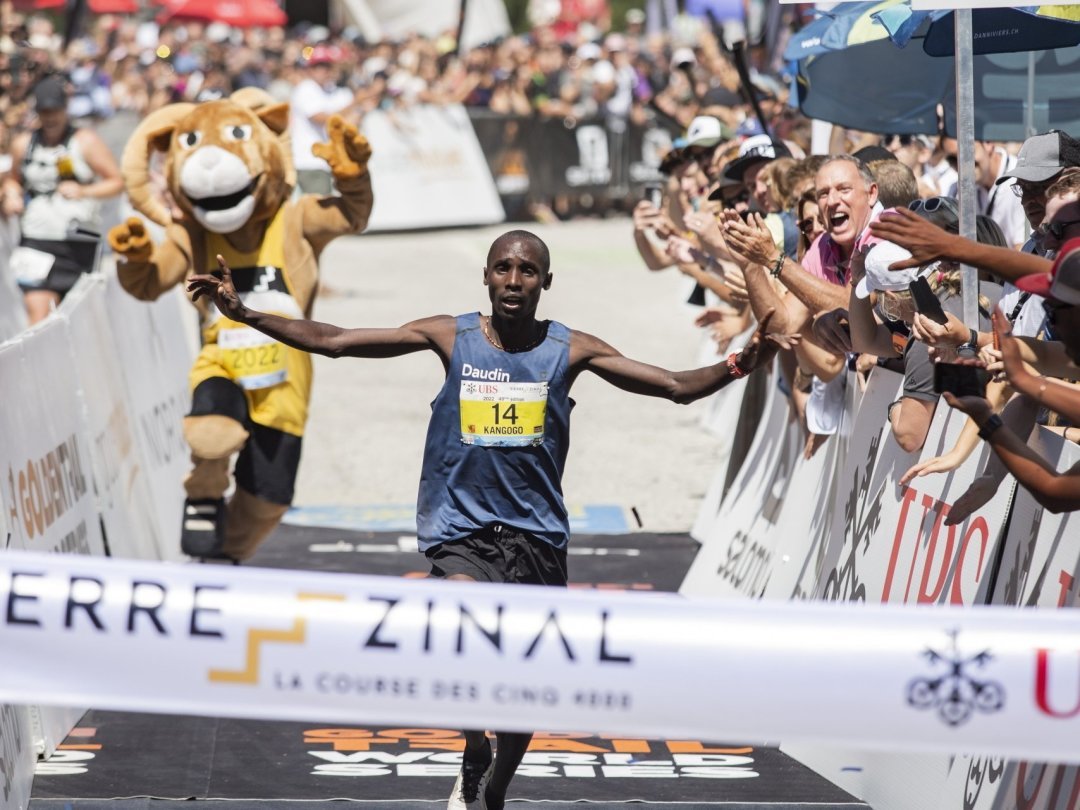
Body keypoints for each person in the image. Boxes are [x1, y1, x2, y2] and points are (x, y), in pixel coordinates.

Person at [187, 230, 787, 810]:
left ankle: (494, 788)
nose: (514, 280)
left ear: (546, 281)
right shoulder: (451, 336)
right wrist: (245, 315)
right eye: (503, 268)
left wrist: (741, 363)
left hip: (536, 538)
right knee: (463, 627)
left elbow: (675, 385)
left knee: (523, 692)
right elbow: (336, 339)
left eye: (528, 271)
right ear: (486, 276)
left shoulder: (570, 348)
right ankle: (474, 737)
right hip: (461, 532)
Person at [1, 75, 122, 323]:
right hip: (36, 241)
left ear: (65, 108)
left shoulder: (85, 141)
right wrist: (11, 193)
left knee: (77, 320)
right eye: (44, 111)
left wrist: (84, 191)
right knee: (39, 316)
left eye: (55, 110)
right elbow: (13, 178)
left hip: (78, 242)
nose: (50, 118)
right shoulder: (24, 144)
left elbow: (117, 182)